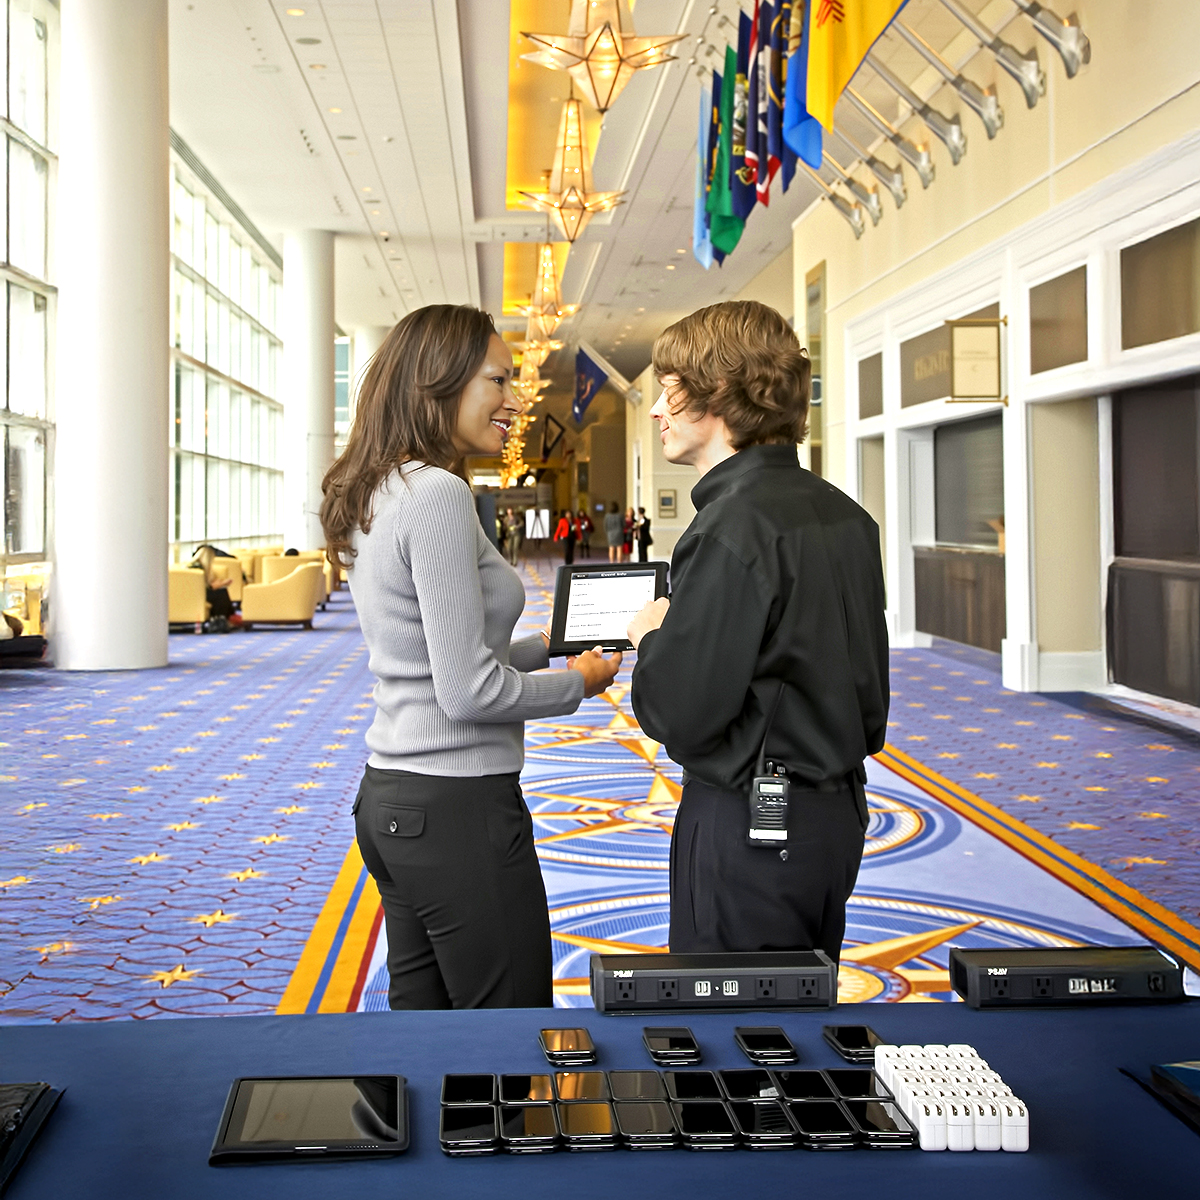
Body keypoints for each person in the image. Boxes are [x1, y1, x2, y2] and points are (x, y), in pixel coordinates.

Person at [319, 304, 622, 1010]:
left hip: (394, 799)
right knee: (509, 1031)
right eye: (499, 379)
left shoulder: (381, 488)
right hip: (459, 810)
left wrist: (545, 646)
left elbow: (427, 659)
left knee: (425, 1033)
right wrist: (576, 683)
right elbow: (467, 693)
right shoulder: (438, 494)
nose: (516, 401)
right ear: (438, 383)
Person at [626, 300, 888, 965]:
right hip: (836, 817)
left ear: (716, 393)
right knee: (800, 1011)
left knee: (732, 1037)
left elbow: (678, 713)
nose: (657, 410)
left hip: (753, 821)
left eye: (668, 391)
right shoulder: (846, 517)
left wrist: (652, 637)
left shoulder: (731, 528)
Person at [188, 544, 238, 633]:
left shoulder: (191, 566)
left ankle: (225, 617)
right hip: (198, 595)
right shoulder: (198, 568)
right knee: (221, 594)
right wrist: (221, 584)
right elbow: (205, 587)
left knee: (220, 593)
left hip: (192, 594)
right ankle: (224, 618)